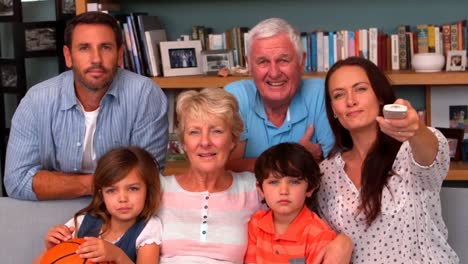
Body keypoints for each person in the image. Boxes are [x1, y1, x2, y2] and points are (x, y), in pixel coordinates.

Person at [159, 88, 351, 264]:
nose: (205, 142)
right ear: (183, 142)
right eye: (194, 132)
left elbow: (301, 217)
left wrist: (343, 243)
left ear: (233, 139)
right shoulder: (159, 189)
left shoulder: (255, 188)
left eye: (216, 131)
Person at [4, 11, 168, 201]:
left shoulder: (145, 96)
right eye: (84, 48)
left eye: (105, 47)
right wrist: (94, 184)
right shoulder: (36, 101)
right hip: (51, 211)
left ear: (120, 54)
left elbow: (146, 180)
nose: (96, 59)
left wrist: (56, 182)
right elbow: (17, 181)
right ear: (68, 56)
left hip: (123, 213)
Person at [318, 56, 459, 263]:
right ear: (334, 111)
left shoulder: (411, 150)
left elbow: (432, 154)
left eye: (361, 89)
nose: (351, 100)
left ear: (380, 97)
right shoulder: (326, 172)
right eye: (339, 95)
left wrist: (416, 130)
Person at [225, 17, 334, 172]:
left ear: (301, 62)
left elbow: (334, 168)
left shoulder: (320, 93)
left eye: (283, 60)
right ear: (249, 65)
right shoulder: (235, 96)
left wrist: (255, 164)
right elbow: (226, 168)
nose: (274, 73)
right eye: (263, 62)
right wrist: (295, 159)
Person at [34, 146, 163, 263]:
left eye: (133, 188)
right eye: (112, 191)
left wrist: (118, 256)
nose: (123, 198)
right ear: (102, 195)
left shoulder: (148, 229)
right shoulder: (82, 222)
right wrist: (51, 250)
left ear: (148, 190)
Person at [245, 142, 336, 264]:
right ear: (261, 189)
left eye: (294, 182)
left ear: (310, 189)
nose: (283, 191)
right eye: (273, 182)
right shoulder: (256, 224)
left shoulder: (320, 234)